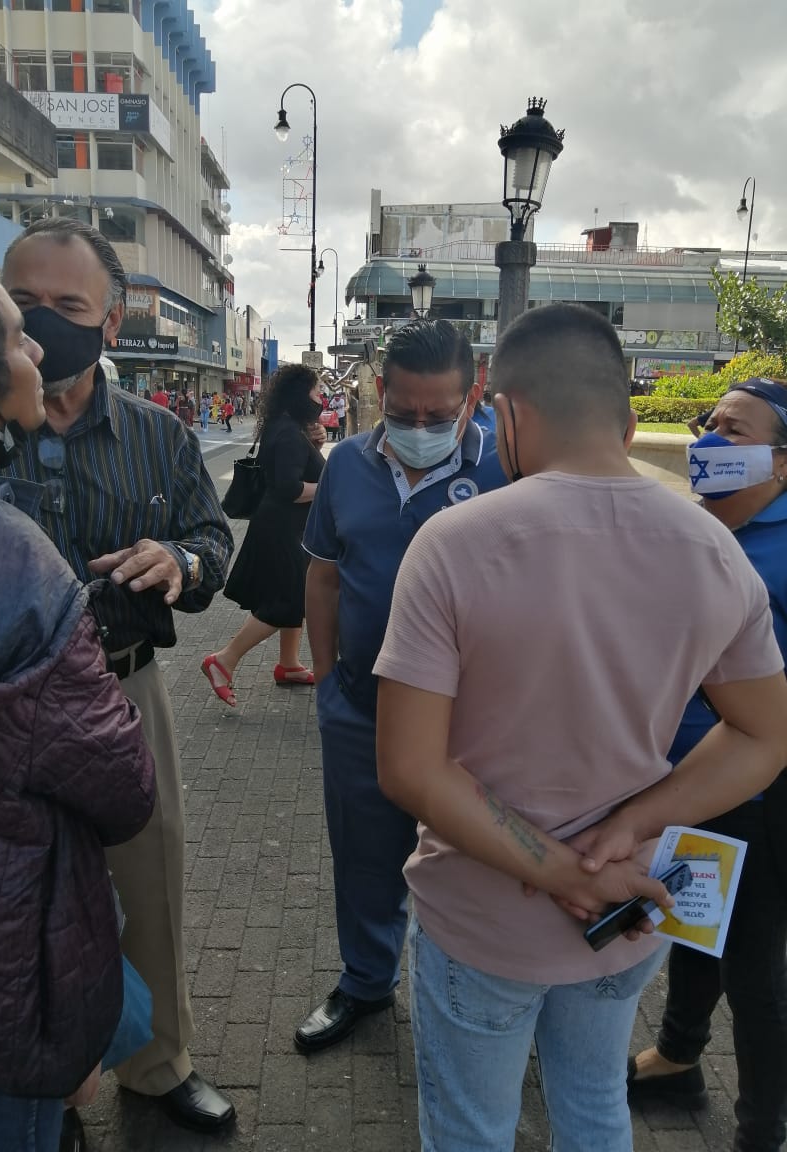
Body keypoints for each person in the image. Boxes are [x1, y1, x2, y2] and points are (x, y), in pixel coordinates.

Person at [372, 304, 787, 1152]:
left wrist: (561, 869)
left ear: (507, 411)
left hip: (483, 914)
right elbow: (765, 737)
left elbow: (412, 770)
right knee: (595, 1108)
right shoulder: (714, 553)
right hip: (630, 906)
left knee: (472, 1131)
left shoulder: (452, 545)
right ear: (629, 422)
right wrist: (630, 829)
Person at [0, 217, 236, 1141]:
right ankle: (38, 1083)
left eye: (69, 304)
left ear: (111, 318)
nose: (44, 322)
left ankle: (158, 1063)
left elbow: (215, 538)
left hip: (125, 690)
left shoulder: (160, 436)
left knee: (150, 880)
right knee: (9, 898)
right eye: (24, 304)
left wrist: (181, 558)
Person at [0, 232, 156, 1152]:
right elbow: (122, 784)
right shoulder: (13, 560)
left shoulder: (152, 435)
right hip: (1, 929)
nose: (36, 353)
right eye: (20, 333)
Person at [295, 319, 507, 1052]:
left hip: (475, 725)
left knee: (485, 861)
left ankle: (495, 999)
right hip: (361, 710)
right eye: (405, 412)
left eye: (438, 416)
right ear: (380, 391)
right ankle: (365, 983)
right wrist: (326, 685)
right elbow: (322, 578)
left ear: (473, 392)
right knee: (362, 856)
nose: (420, 428)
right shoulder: (347, 466)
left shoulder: (511, 468)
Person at [628, 377, 787, 1152]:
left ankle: (762, 1128)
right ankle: (679, 1059)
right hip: (690, 776)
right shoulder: (707, 529)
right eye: (708, 423)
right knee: (696, 919)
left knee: (756, 962)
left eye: (736, 429)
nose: (711, 440)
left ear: (781, 464)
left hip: (763, 785)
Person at [201, 363, 325, 706]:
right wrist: (331, 485)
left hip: (283, 525)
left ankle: (289, 664)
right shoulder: (287, 432)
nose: (321, 398)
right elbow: (289, 487)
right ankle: (223, 660)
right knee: (290, 600)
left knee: (292, 593)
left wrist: (314, 443)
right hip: (283, 527)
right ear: (301, 394)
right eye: (316, 391)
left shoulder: (288, 427)